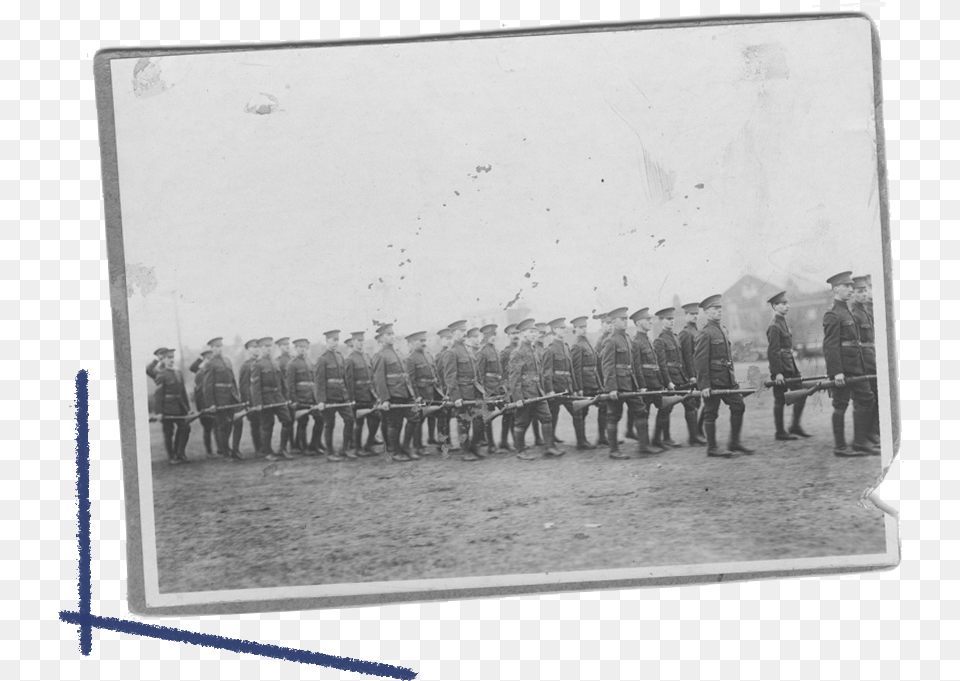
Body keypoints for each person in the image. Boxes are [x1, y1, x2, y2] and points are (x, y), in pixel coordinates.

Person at [823, 272, 878, 456]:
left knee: (867, 398)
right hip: (844, 368)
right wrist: (837, 372)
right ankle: (840, 448)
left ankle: (860, 442)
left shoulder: (847, 311)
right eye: (846, 286)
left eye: (850, 286)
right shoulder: (833, 314)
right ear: (836, 288)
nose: (850, 289)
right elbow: (830, 346)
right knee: (840, 404)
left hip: (857, 365)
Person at [694, 295, 755, 457]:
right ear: (707, 313)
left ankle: (734, 443)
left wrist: (733, 377)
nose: (719, 311)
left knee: (738, 406)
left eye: (720, 308)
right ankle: (712, 448)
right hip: (713, 381)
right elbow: (700, 362)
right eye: (715, 309)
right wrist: (704, 385)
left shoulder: (724, 330)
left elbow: (728, 358)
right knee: (710, 413)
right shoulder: (704, 333)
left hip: (728, 379)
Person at [506, 318, 562, 460]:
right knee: (522, 422)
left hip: (538, 392)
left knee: (547, 418)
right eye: (531, 332)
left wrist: (544, 389)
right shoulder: (517, 353)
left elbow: (539, 373)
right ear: (523, 333)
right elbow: (514, 377)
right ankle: (520, 451)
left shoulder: (534, 350)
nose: (534, 334)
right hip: (526, 393)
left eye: (534, 332)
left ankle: (549, 447)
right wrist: (518, 398)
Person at [601, 308, 648, 459]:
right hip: (618, 385)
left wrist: (640, 384)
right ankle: (614, 451)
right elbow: (607, 366)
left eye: (626, 319)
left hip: (630, 383)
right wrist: (612, 388)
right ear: (614, 322)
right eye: (622, 319)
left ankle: (644, 445)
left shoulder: (627, 339)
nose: (625, 322)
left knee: (641, 411)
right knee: (613, 416)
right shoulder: (611, 340)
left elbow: (633, 364)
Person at [766, 291, 810, 441]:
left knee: (802, 393)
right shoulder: (774, 326)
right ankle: (780, 432)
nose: (787, 306)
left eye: (787, 303)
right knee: (780, 400)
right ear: (774, 306)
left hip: (790, 365)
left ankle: (795, 426)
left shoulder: (783, 322)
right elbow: (773, 351)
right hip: (781, 368)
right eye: (783, 304)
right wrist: (777, 373)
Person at [371, 323, 418, 462]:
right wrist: (384, 399)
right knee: (394, 424)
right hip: (393, 395)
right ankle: (396, 452)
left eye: (392, 334)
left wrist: (412, 394)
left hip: (406, 393)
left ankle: (406, 447)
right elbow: (379, 379)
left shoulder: (398, 352)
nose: (392, 337)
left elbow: (405, 375)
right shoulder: (380, 355)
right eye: (388, 334)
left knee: (414, 418)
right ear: (381, 338)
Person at [442, 320, 485, 461]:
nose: (464, 333)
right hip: (463, 392)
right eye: (460, 331)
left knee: (479, 420)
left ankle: (474, 447)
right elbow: (450, 377)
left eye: (464, 330)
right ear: (454, 333)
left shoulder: (468, 349)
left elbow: (476, 372)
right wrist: (456, 397)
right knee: (464, 423)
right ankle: (465, 451)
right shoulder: (451, 352)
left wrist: (480, 388)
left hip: (474, 390)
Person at [653, 307, 694, 447]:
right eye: (668, 319)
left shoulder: (676, 338)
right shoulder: (660, 341)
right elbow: (661, 364)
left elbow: (682, 359)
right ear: (660, 321)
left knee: (690, 403)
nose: (671, 322)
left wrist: (687, 376)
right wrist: (668, 381)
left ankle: (694, 437)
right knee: (666, 408)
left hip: (680, 377)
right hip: (670, 379)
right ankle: (661, 439)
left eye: (672, 319)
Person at [630, 308, 668, 453]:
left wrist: (661, 382)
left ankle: (657, 440)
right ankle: (644, 446)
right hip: (646, 385)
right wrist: (641, 386)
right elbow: (636, 367)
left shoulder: (648, 339)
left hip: (655, 383)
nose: (650, 322)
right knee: (642, 413)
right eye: (647, 320)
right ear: (639, 323)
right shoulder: (636, 342)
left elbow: (655, 364)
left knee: (664, 408)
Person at [314, 330, 355, 461]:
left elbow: (345, 378)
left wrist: (348, 396)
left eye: (337, 340)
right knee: (329, 424)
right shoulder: (322, 359)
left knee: (349, 420)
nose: (335, 343)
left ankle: (345, 449)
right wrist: (320, 400)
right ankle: (330, 453)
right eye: (332, 340)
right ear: (327, 341)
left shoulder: (339, 356)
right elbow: (319, 382)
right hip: (329, 397)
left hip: (342, 395)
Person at [201, 337, 243, 459]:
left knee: (238, 421)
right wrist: (211, 404)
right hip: (219, 399)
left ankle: (236, 449)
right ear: (212, 349)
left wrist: (237, 396)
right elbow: (207, 386)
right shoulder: (210, 364)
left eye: (220, 346)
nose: (219, 349)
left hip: (232, 397)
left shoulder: (227, 361)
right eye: (216, 347)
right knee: (224, 425)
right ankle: (225, 451)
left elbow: (233, 380)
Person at [251, 336, 293, 460]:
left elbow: (282, 381)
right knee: (267, 425)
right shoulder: (257, 365)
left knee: (287, 421)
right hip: (266, 399)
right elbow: (255, 386)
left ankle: (282, 449)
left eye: (270, 346)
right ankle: (268, 452)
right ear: (260, 348)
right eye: (265, 347)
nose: (268, 349)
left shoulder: (275, 362)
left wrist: (286, 397)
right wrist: (258, 403)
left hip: (278, 398)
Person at [542, 318, 581, 448]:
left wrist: (574, 387)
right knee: (553, 416)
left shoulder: (566, 347)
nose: (565, 330)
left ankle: (582, 442)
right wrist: (550, 390)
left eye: (565, 328)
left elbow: (571, 370)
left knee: (578, 413)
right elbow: (547, 372)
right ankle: (550, 444)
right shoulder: (550, 350)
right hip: (556, 389)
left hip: (567, 387)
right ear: (554, 330)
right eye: (561, 328)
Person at [852, 275, 880, 445]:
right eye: (860, 291)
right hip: (864, 360)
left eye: (865, 291)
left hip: (871, 357)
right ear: (853, 294)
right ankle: (865, 436)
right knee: (866, 399)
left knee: (876, 396)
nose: (864, 294)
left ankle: (872, 432)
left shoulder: (864, 311)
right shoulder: (855, 313)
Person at [153, 348, 191, 464]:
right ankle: (171, 457)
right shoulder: (161, 375)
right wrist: (159, 412)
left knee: (185, 428)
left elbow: (183, 391)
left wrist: (187, 408)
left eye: (172, 357)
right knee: (168, 432)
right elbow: (158, 395)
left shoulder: (178, 373)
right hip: (167, 408)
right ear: (163, 360)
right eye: (168, 358)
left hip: (179, 406)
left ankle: (180, 452)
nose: (171, 360)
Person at [346, 331, 380, 456]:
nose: (360, 344)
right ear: (353, 342)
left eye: (362, 341)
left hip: (369, 394)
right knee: (359, 422)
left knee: (376, 418)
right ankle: (358, 448)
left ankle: (369, 445)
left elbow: (372, 377)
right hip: (358, 395)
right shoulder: (350, 359)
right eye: (358, 341)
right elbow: (349, 381)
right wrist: (351, 398)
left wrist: (375, 393)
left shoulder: (366, 357)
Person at [403, 331, 436, 458]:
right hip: (420, 393)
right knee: (418, 420)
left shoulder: (427, 355)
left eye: (424, 341)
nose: (423, 343)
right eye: (420, 341)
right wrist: (416, 396)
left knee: (427, 417)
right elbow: (410, 380)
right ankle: (417, 446)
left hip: (430, 391)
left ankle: (422, 444)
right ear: (413, 343)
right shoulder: (410, 359)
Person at [569, 316, 599, 450]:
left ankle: (599, 438)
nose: (584, 330)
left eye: (585, 327)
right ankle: (581, 442)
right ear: (575, 330)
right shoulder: (576, 346)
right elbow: (575, 369)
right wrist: (578, 387)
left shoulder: (587, 343)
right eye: (581, 327)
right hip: (584, 384)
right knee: (580, 412)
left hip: (592, 382)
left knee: (586, 411)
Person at [678, 302, 706, 443]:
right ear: (686, 315)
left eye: (696, 314)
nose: (695, 316)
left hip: (699, 373)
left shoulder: (697, 331)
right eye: (691, 314)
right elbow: (687, 357)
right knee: (692, 404)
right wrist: (692, 376)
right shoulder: (685, 333)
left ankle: (697, 433)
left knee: (699, 403)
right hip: (691, 375)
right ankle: (694, 436)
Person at [476, 324, 506, 455]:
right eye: (490, 335)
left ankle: (503, 441)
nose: (493, 337)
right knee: (488, 416)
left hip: (498, 387)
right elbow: (479, 375)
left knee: (507, 411)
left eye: (494, 335)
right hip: (488, 388)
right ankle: (491, 444)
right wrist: (483, 392)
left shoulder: (496, 351)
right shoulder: (482, 352)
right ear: (485, 337)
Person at [286, 338, 319, 454]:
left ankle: (314, 445)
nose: (302, 350)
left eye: (304, 347)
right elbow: (290, 385)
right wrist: (293, 400)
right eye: (299, 347)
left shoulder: (310, 362)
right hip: (300, 398)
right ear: (295, 349)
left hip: (311, 397)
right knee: (302, 422)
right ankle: (304, 448)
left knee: (320, 419)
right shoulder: (292, 364)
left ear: (307, 348)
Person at [188, 350, 217, 457]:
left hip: (213, 403)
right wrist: (201, 407)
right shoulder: (200, 372)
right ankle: (209, 451)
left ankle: (219, 449)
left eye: (211, 359)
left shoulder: (213, 371)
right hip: (203, 405)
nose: (210, 361)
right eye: (207, 359)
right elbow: (199, 392)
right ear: (204, 360)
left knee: (217, 427)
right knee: (207, 429)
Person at [237, 339, 262, 456]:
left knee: (265, 424)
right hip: (252, 402)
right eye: (253, 347)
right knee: (256, 425)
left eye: (257, 347)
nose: (256, 349)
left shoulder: (261, 363)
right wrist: (247, 403)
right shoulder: (246, 366)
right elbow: (244, 387)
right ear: (247, 350)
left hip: (262, 400)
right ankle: (259, 448)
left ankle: (265, 447)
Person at [593, 312, 615, 446]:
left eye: (612, 323)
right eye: (607, 323)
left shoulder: (613, 338)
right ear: (602, 325)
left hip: (609, 377)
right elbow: (598, 362)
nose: (610, 326)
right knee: (604, 408)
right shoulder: (600, 340)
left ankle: (607, 436)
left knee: (609, 409)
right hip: (603, 378)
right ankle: (602, 436)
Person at [498, 324, 520, 451]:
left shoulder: (522, 350)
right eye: (513, 334)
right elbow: (500, 372)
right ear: (508, 336)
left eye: (517, 333)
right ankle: (504, 441)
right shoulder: (506, 352)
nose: (516, 336)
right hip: (508, 388)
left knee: (516, 415)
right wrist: (505, 388)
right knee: (509, 414)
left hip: (519, 386)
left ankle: (515, 441)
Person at [431, 327, 454, 451]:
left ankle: (447, 441)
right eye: (447, 339)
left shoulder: (452, 353)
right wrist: (444, 391)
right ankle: (443, 443)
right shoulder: (440, 356)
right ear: (441, 340)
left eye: (451, 338)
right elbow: (441, 375)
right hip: (443, 391)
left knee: (448, 416)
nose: (449, 341)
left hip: (451, 389)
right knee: (443, 417)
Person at [275, 337, 295, 453]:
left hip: (293, 392)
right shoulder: (278, 362)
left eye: (288, 344)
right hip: (284, 394)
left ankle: (295, 444)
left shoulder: (293, 359)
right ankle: (289, 445)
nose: (287, 347)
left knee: (294, 420)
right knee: (288, 420)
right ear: (279, 347)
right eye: (284, 345)